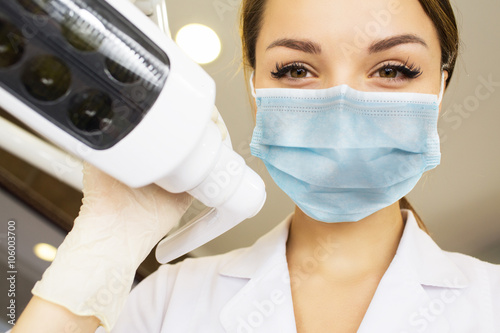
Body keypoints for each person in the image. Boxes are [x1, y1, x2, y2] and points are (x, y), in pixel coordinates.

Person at [10, 0, 500, 332]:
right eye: (296, 69)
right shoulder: (167, 303)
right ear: (254, 89)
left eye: (393, 69)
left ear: (439, 88)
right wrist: (101, 248)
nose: (343, 108)